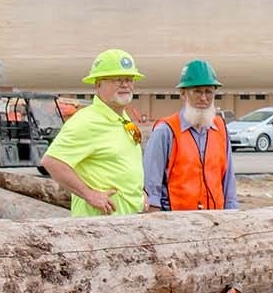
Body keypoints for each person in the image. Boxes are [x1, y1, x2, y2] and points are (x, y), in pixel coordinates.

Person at [40, 49, 146, 216]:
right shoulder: (86, 121)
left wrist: (139, 193)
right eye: (117, 79)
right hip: (98, 227)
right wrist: (89, 194)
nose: (125, 84)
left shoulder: (124, 119)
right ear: (98, 85)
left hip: (127, 220)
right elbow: (52, 161)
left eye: (129, 79)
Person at [144, 60, 237, 211]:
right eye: (197, 91)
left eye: (208, 91)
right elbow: (151, 188)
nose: (203, 98)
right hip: (177, 223)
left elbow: (228, 183)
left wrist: (232, 215)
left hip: (217, 220)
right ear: (183, 93)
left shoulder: (220, 129)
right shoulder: (165, 131)